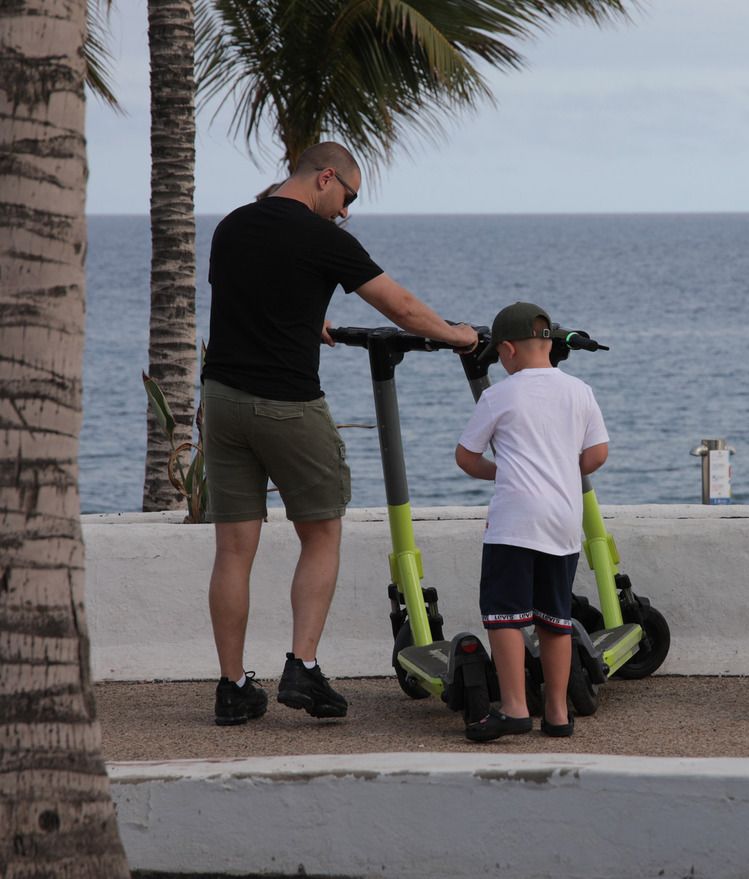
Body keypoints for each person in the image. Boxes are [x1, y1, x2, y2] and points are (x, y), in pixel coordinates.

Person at [202, 141, 478, 726]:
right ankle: (302, 666)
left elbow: (251, 297)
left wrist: (310, 319)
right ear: (325, 177)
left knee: (232, 550)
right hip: (288, 405)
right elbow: (398, 305)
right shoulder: (324, 239)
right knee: (321, 534)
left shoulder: (231, 227)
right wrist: (455, 334)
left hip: (221, 401)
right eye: (347, 196)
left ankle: (232, 688)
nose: (346, 211)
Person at [455, 302, 609, 741]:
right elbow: (597, 454)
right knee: (554, 618)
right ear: (547, 342)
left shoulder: (498, 395)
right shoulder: (579, 390)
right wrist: (562, 465)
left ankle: (515, 707)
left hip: (515, 521)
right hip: (563, 521)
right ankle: (558, 714)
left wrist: (499, 471)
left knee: (505, 615)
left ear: (507, 350)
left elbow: (467, 456)